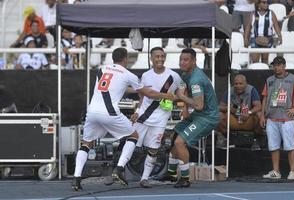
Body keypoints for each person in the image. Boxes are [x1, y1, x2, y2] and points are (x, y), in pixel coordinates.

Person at [72, 47, 174, 191]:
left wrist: (136, 89)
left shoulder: (102, 69)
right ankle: (119, 169)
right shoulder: (128, 74)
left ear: (113, 58)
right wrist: (166, 96)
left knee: (86, 144)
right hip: (110, 112)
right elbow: (149, 93)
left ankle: (76, 179)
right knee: (133, 136)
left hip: (92, 112)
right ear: (125, 59)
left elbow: (116, 86)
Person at [161, 48, 220, 188]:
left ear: (194, 61)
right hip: (198, 114)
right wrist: (183, 107)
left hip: (207, 118)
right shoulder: (185, 74)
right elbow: (182, 92)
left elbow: (198, 105)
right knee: (175, 136)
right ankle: (171, 173)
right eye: (181, 59)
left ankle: (186, 178)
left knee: (179, 143)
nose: (182, 62)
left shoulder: (196, 80)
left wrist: (181, 98)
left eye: (186, 60)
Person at [128, 47, 182, 188]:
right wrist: (138, 111)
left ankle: (144, 179)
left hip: (161, 118)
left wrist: (175, 98)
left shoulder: (174, 76)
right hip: (144, 116)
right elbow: (142, 97)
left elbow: (181, 92)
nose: (160, 59)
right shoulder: (145, 75)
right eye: (157, 56)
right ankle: (119, 169)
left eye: (162, 56)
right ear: (151, 59)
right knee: (131, 143)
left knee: (154, 149)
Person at [260, 56, 294, 180]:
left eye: (278, 65)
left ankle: (292, 171)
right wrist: (262, 115)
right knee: (273, 146)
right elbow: (265, 97)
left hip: (287, 118)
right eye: (274, 65)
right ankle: (276, 171)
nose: (276, 67)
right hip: (272, 118)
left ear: (284, 66)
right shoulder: (269, 80)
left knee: (290, 146)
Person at [216, 74, 262, 150]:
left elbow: (258, 106)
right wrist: (229, 108)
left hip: (248, 119)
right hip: (234, 119)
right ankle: (227, 139)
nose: (238, 86)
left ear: (246, 83)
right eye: (236, 84)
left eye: (240, 84)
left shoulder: (251, 90)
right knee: (219, 116)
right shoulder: (229, 91)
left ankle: (256, 140)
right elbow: (220, 107)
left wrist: (249, 113)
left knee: (260, 115)